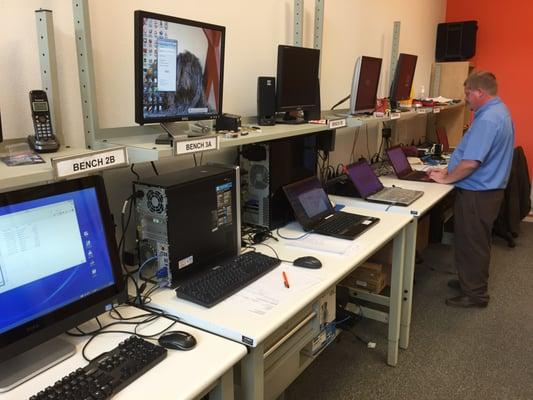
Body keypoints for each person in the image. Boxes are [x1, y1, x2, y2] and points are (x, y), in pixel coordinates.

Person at [428, 71, 515, 308]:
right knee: (474, 240)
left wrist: (447, 179)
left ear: (480, 92)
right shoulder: (498, 111)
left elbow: (471, 163)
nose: (466, 99)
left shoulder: (488, 120)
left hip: (479, 192)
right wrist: (449, 171)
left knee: (473, 242)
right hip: (487, 190)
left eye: (468, 94)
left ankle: (475, 294)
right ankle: (470, 281)